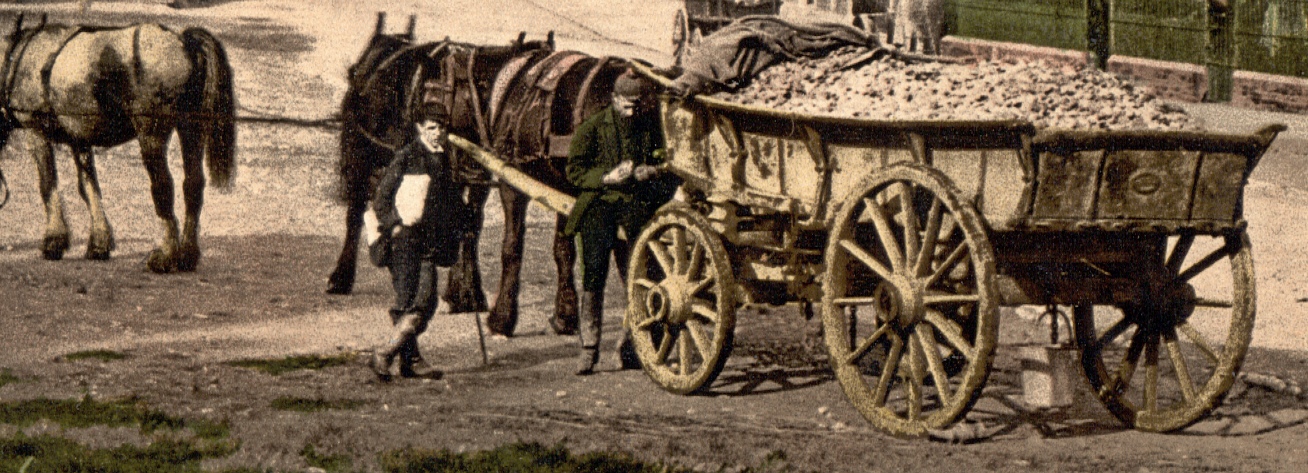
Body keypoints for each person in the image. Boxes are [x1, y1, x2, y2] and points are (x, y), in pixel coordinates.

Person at [563, 68, 679, 376]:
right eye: (626, 104)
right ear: (614, 99)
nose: (631, 111)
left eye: (637, 104)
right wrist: (605, 177)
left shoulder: (650, 127)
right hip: (600, 202)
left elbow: (667, 163)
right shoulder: (592, 128)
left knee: (641, 268)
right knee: (594, 272)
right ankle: (589, 347)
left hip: (634, 202)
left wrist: (648, 171)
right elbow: (574, 172)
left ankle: (637, 340)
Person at [366, 102, 467, 382]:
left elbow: (450, 200)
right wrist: (395, 226)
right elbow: (381, 198)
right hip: (405, 243)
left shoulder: (444, 158)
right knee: (417, 302)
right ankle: (385, 354)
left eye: (442, 128)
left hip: (430, 244)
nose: (438, 133)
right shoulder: (407, 156)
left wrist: (466, 219)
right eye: (432, 128)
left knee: (418, 303)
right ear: (420, 128)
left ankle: (410, 361)